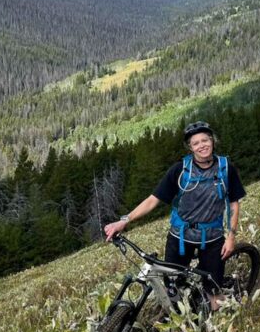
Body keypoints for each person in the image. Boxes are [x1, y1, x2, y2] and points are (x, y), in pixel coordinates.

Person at [104, 121, 245, 305]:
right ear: (190, 147)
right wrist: (125, 220)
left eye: (205, 140)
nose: (202, 145)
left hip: (212, 238)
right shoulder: (179, 170)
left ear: (212, 141)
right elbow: (153, 200)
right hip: (179, 237)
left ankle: (213, 324)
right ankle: (181, 317)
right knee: (173, 286)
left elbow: (234, 204)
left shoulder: (226, 169)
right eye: (196, 143)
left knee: (214, 291)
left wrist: (231, 237)